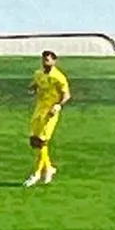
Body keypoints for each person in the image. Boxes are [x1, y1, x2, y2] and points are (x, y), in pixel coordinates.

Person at [24, 49, 71, 187]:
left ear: (54, 61)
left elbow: (67, 95)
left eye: (48, 60)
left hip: (50, 112)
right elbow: (35, 85)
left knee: (41, 141)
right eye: (43, 60)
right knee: (34, 141)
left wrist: (58, 105)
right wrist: (32, 89)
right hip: (39, 110)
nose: (45, 62)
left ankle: (37, 174)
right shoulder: (38, 74)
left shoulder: (59, 77)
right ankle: (49, 167)